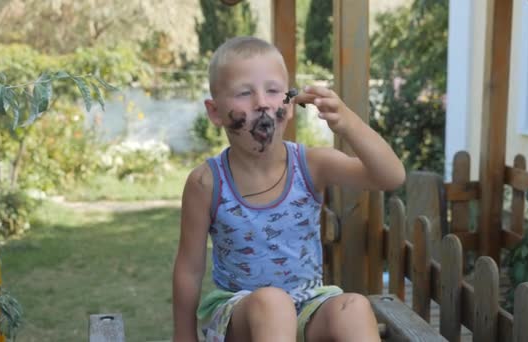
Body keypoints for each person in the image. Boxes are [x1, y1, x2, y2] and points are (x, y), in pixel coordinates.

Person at [172, 36, 405, 342]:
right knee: (272, 303)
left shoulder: (311, 164)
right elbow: (189, 268)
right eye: (244, 92)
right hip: (240, 314)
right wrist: (183, 336)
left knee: (355, 307)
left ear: (290, 104)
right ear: (215, 112)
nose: (262, 102)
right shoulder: (206, 182)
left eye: (272, 90)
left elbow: (391, 177)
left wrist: (349, 123)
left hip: (308, 304)